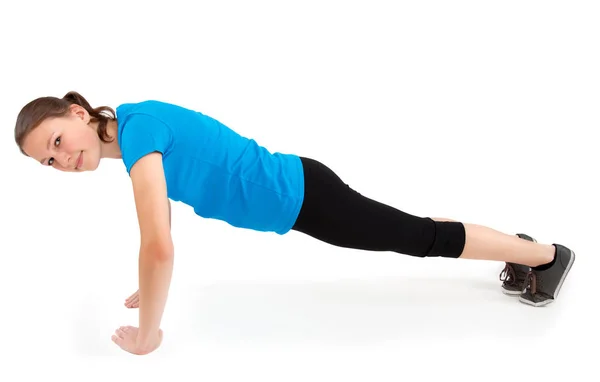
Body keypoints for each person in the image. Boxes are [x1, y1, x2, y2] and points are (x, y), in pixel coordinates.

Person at [13, 91, 576, 355]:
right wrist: (151, 280)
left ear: (79, 114)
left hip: (305, 199)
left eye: (57, 141)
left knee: (418, 238)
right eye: (48, 160)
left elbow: (158, 247)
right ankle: (515, 247)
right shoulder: (137, 129)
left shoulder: (138, 142)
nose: (61, 159)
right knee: (409, 227)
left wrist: (148, 334)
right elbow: (159, 228)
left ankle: (545, 256)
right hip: (303, 191)